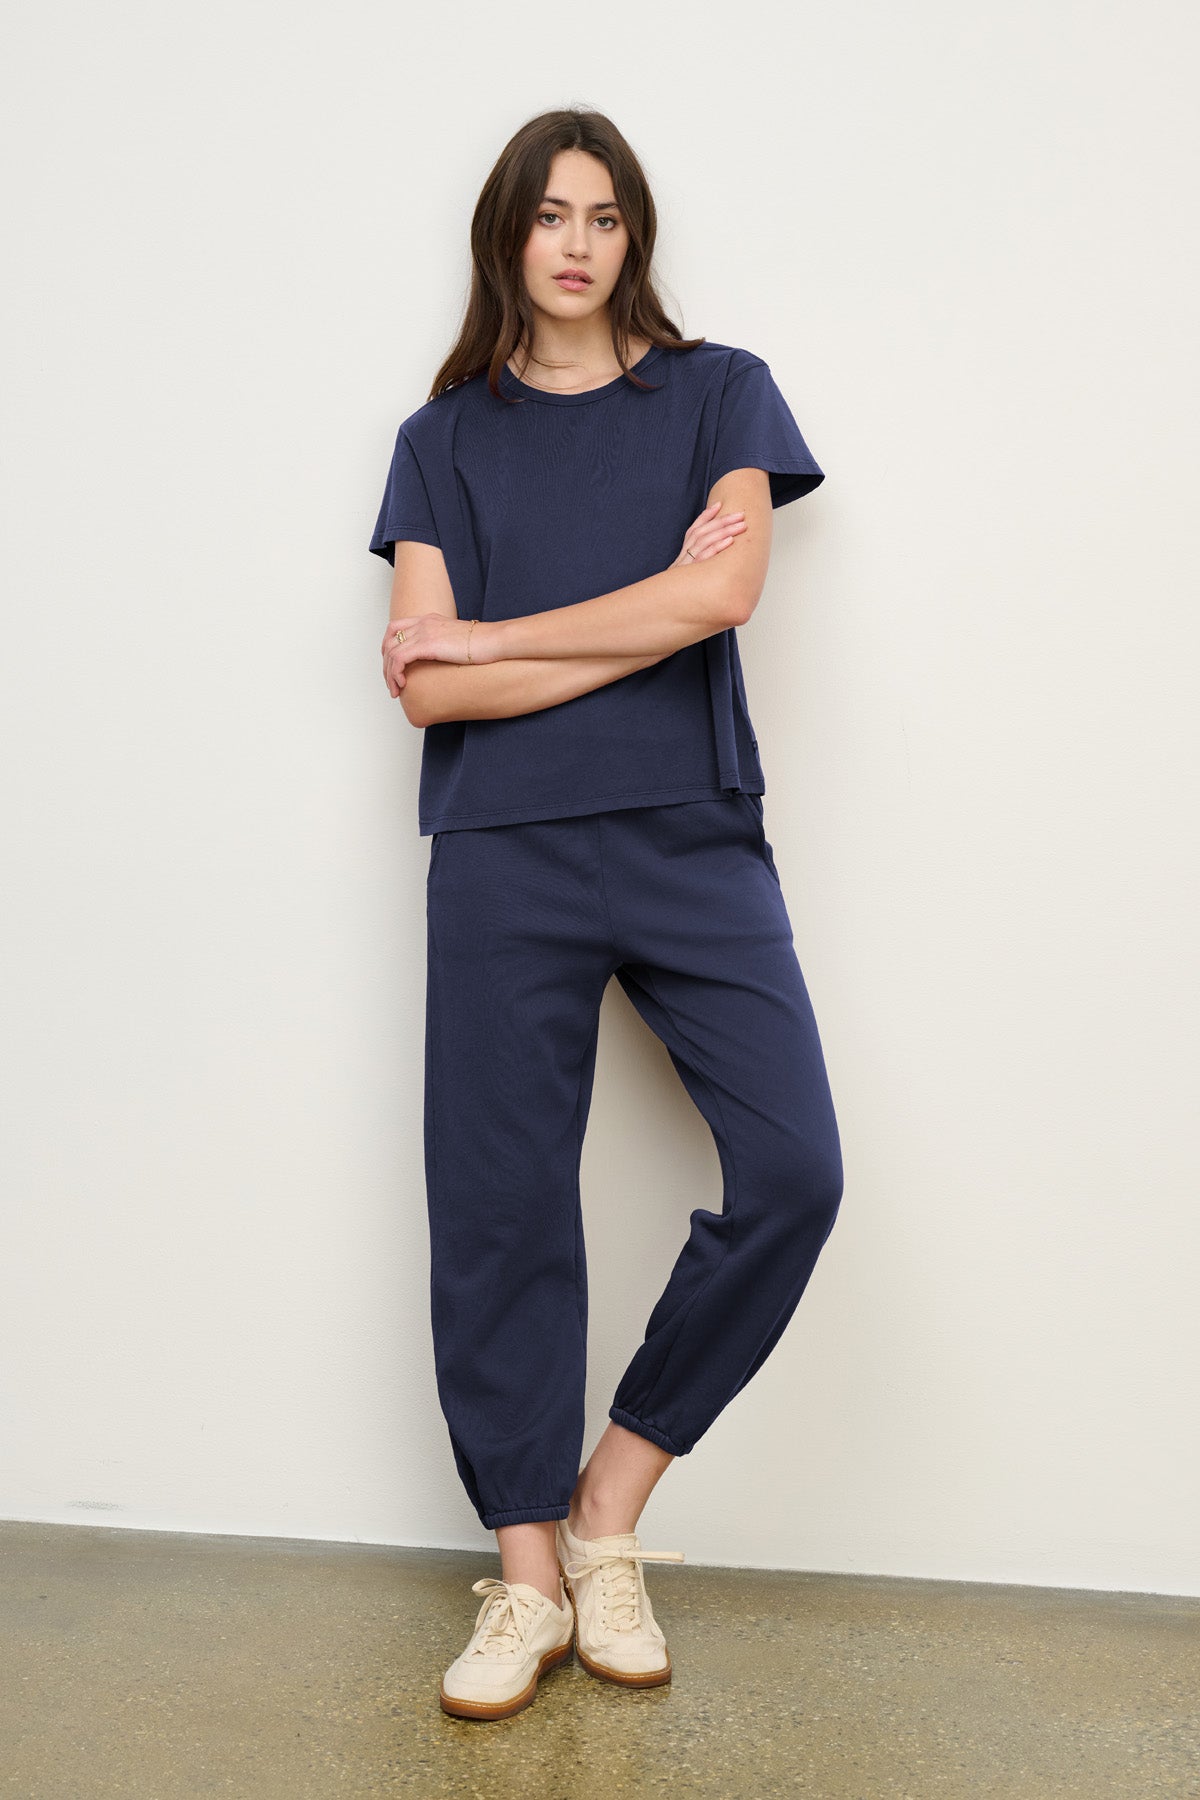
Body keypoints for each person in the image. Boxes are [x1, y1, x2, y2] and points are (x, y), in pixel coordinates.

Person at [368, 107, 844, 1722]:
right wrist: (582, 628)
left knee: (794, 1168)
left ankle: (607, 1514)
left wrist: (494, 640)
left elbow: (719, 597)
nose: (577, 243)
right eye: (549, 214)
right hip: (500, 844)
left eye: (608, 215)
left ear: (637, 236)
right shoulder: (442, 438)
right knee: (499, 1208)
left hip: (691, 836)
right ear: (506, 235)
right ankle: (524, 1581)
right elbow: (423, 693)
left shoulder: (722, 391)